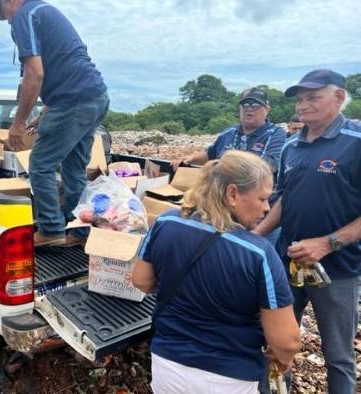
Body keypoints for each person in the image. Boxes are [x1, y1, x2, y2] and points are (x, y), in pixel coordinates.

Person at [132, 150, 300, 394]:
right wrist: (282, 356)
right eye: (262, 199)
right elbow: (287, 340)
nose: (267, 208)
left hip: (168, 363)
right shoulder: (258, 253)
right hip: (230, 375)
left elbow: (141, 281)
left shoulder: (165, 222)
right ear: (232, 193)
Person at [254, 69, 361, 394]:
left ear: (339, 98)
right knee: (276, 342)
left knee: (338, 355)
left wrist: (327, 243)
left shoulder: (355, 144)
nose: (303, 105)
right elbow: (286, 198)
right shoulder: (291, 147)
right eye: (300, 99)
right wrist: (257, 235)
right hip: (288, 263)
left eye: (313, 97)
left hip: (338, 270)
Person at [0, 0, 109, 247]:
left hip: (72, 101)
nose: (9, 20)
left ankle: (51, 229)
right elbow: (65, 66)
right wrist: (45, 111)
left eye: (5, 13)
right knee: (74, 168)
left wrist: (18, 124)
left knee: (40, 165)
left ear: (10, 1)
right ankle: (79, 232)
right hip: (95, 97)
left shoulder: (25, 15)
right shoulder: (46, 12)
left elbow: (34, 74)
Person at [171, 87, 286, 174]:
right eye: (245, 105)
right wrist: (189, 159)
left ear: (267, 109)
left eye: (256, 105)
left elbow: (270, 165)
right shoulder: (229, 132)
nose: (249, 109)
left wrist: (223, 164)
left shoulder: (275, 134)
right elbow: (210, 153)